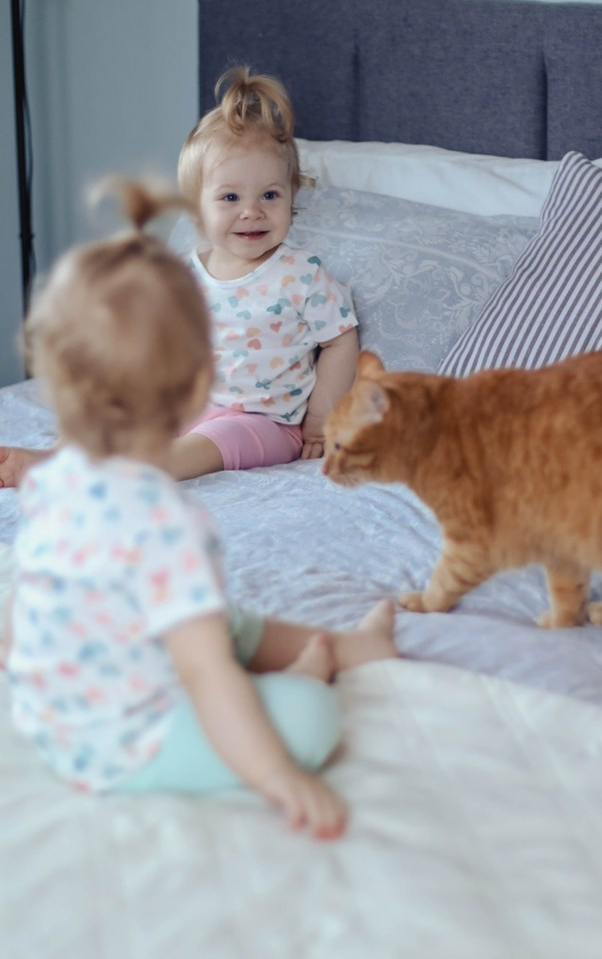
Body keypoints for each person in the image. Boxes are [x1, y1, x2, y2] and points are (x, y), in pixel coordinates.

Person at [3, 179, 396, 840]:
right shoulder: (163, 524)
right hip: (120, 743)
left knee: (224, 620)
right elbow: (205, 674)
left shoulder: (56, 478)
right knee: (305, 721)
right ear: (196, 391)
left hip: (56, 713)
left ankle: (358, 645)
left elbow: (32, 587)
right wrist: (277, 775)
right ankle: (315, 668)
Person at [0, 65, 359, 488]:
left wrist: (319, 421)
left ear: (291, 196)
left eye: (270, 195)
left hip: (263, 423)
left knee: (195, 449)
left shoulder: (301, 274)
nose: (252, 210)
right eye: (230, 197)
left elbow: (340, 337)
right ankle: (55, 458)